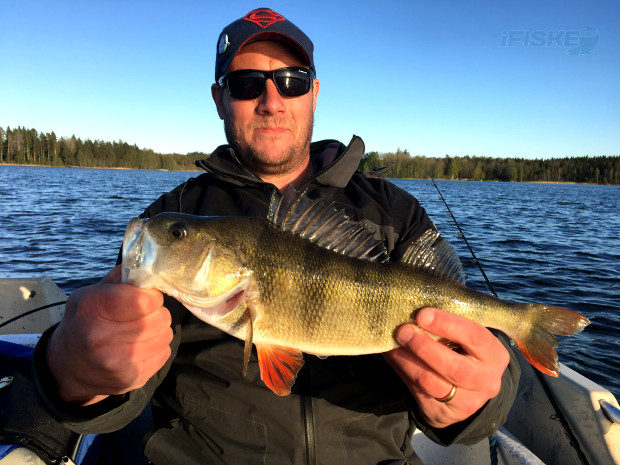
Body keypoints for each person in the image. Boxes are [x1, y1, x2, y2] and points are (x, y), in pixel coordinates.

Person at [33, 8, 520, 464]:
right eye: (246, 84)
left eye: (292, 81)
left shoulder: (395, 213)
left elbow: (479, 349)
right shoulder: (172, 218)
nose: (271, 101)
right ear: (219, 98)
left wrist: (474, 403)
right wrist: (70, 370)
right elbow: (115, 390)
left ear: (314, 92)